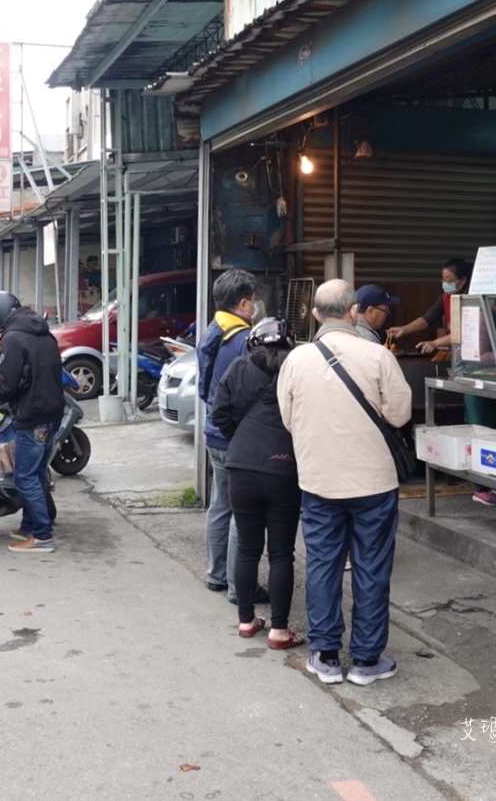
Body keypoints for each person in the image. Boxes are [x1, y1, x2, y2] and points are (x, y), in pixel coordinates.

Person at [278, 279, 410, 686]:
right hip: (374, 483)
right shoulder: (377, 356)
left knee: (323, 565)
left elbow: (287, 418)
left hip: (319, 482)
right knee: (371, 567)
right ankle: (368, 661)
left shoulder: (296, 360)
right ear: (354, 311)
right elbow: (401, 414)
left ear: (316, 315)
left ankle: (326, 656)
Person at [212, 317, 305, 649]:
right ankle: (280, 631)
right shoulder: (298, 369)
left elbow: (218, 414)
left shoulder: (238, 367)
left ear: (255, 341)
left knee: (248, 549)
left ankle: (247, 622)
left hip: (241, 466)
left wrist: (241, 439)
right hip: (285, 469)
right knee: (281, 553)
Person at [386, 258, 496, 506]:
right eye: (443, 279)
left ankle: (489, 482)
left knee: (484, 424)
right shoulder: (446, 298)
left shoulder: (476, 297)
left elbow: (467, 329)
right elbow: (428, 318)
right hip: (464, 366)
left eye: (449, 280)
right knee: (474, 421)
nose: (445, 284)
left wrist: (437, 343)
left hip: (484, 366)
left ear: (463, 280)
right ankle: (481, 483)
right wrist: (404, 330)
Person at [197, 269, 269, 605]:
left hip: (214, 432)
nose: (256, 305)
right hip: (236, 436)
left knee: (220, 504)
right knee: (244, 513)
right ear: (243, 302)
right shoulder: (244, 339)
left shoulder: (213, 330)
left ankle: (216, 575)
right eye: (253, 300)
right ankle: (241, 589)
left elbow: (204, 388)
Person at [0, 291, 65, 554]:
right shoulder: (41, 332)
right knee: (35, 474)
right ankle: (29, 525)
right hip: (51, 412)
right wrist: (0, 372)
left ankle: (42, 537)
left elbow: (7, 388)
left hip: (33, 415)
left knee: (25, 477)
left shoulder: (13, 339)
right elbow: (30, 371)